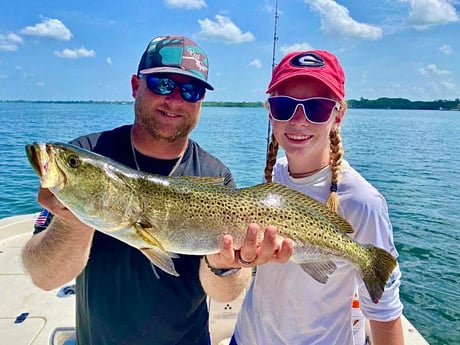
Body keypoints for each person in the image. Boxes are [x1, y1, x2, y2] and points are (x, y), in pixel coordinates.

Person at [21, 35, 291, 345]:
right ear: (136, 86)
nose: (175, 100)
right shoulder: (89, 152)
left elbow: (225, 294)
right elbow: (44, 278)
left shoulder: (215, 176)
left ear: (201, 101)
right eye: (162, 84)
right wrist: (73, 217)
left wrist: (225, 266)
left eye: (191, 90)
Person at [230, 50, 405, 344]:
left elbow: (383, 308)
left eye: (318, 108)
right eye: (284, 106)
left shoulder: (362, 201)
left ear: (338, 115)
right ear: (270, 112)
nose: (299, 120)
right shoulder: (275, 176)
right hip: (246, 336)